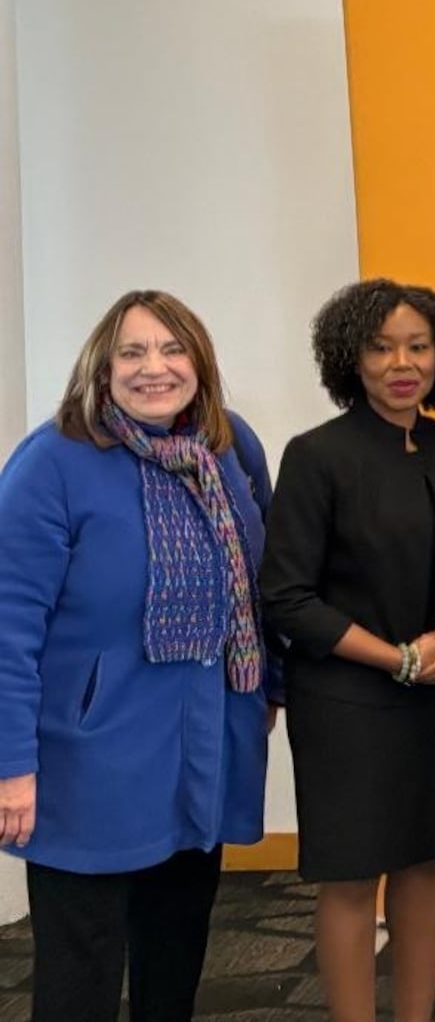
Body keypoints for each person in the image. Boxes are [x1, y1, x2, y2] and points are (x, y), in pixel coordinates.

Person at [0, 290, 275, 1022]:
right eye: (133, 352)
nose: (155, 367)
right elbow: (9, 626)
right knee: (80, 973)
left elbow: (263, 583)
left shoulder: (229, 448)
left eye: (172, 348)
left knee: (175, 953)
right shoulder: (51, 465)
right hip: (88, 761)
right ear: (101, 366)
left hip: (199, 751)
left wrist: (266, 693)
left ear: (200, 362)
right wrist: (11, 765)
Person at [259, 279, 435, 1022]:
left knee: (424, 863)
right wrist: (397, 659)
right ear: (349, 360)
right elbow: (288, 598)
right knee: (352, 876)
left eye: (418, 346)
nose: (402, 362)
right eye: (382, 346)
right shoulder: (316, 456)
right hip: (347, 701)